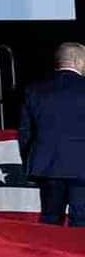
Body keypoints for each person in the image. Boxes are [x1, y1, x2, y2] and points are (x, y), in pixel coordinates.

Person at [20, 43, 85, 226]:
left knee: (50, 221)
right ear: (78, 61)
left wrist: (31, 162)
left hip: (48, 166)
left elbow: (25, 132)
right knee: (81, 222)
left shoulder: (34, 90)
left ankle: (47, 254)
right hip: (82, 167)